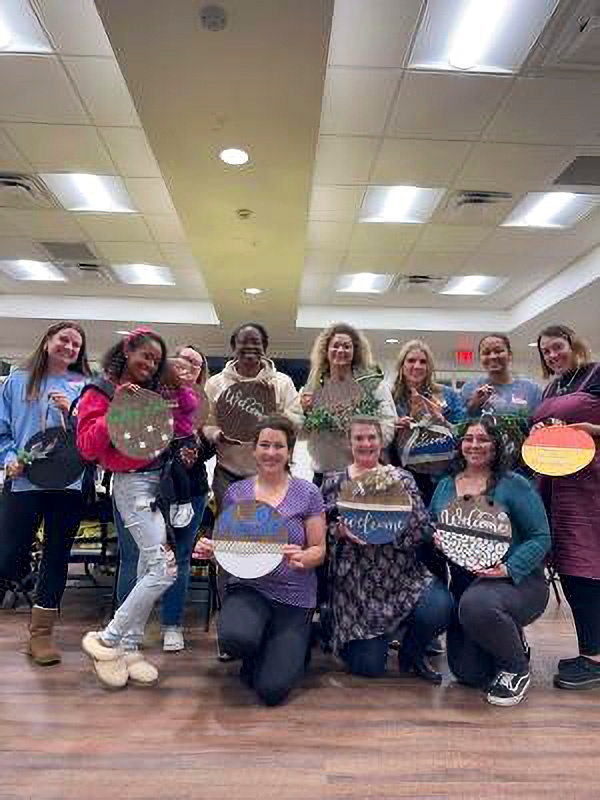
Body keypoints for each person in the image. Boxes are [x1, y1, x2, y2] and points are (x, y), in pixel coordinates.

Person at [195, 415, 326, 706]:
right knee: (235, 638)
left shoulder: (308, 493)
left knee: (270, 691)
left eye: (278, 446)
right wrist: (212, 551)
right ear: (254, 450)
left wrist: (304, 557)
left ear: (289, 452)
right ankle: (262, 642)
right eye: (264, 445)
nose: (271, 452)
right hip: (250, 589)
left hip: (293, 597)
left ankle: (297, 642)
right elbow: (229, 549)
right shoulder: (236, 493)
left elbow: (319, 549)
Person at [77, 328, 176, 689]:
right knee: (165, 570)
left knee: (149, 566)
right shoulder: (100, 390)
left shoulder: (151, 394)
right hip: (131, 487)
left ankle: (130, 647)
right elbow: (87, 447)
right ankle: (108, 639)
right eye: (144, 356)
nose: (149, 364)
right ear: (127, 349)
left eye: (155, 360)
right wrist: (117, 408)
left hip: (157, 485)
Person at [322, 417, 453, 683]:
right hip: (356, 586)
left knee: (440, 607)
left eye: (371, 437)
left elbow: (422, 531)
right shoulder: (334, 481)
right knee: (367, 667)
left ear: (381, 442)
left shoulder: (402, 477)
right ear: (350, 443)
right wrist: (340, 532)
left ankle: (412, 651)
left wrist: (400, 493)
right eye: (359, 438)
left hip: (401, 575)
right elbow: (318, 532)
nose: (366, 443)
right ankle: (332, 621)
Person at [430, 418, 550, 707]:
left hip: (516, 583)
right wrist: (436, 539)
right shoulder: (446, 486)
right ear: (460, 445)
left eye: (482, 439)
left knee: (477, 605)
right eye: (469, 438)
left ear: (495, 446)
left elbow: (541, 537)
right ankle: (510, 639)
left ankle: (517, 669)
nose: (474, 445)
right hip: (466, 587)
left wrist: (508, 568)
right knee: (469, 673)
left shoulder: (514, 485)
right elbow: (433, 525)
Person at [0, 321, 91, 665]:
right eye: (64, 339)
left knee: (56, 556)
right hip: (23, 482)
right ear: (47, 341)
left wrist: (75, 409)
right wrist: (10, 459)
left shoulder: (85, 385)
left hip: (67, 484)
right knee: (9, 555)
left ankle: (41, 636)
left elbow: (93, 436)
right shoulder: (17, 381)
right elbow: (2, 431)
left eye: (76, 344)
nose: (70, 347)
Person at [114, 346, 214, 653]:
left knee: (180, 558)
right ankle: (126, 627)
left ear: (201, 372)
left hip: (189, 489)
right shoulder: (145, 390)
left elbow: (210, 446)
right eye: (181, 362)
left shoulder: (202, 402)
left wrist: (199, 447)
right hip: (140, 485)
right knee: (133, 557)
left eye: (195, 364)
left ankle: (173, 625)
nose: (187, 368)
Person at [531, 324, 600, 691]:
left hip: (591, 485)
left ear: (574, 344)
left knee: (588, 567)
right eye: (546, 352)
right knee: (570, 566)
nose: (553, 355)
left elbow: (587, 427)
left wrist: (590, 428)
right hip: (557, 485)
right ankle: (589, 649)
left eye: (557, 347)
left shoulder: (597, 374)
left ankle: (594, 658)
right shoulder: (553, 386)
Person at [203, 323, 303, 511]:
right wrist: (217, 435)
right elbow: (206, 425)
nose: (250, 346)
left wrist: (273, 411)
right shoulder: (216, 384)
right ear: (234, 347)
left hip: (271, 473)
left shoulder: (281, 382)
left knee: (270, 529)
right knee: (229, 531)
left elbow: (298, 422)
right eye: (243, 341)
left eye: (256, 342)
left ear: (264, 347)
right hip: (228, 474)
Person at [301, 323, 396, 483]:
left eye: (347, 346)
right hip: (323, 475)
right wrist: (305, 413)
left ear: (355, 351)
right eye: (335, 346)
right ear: (326, 350)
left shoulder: (372, 385)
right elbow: (300, 433)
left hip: (362, 474)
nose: (340, 351)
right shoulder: (314, 386)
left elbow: (388, 427)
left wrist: (363, 441)